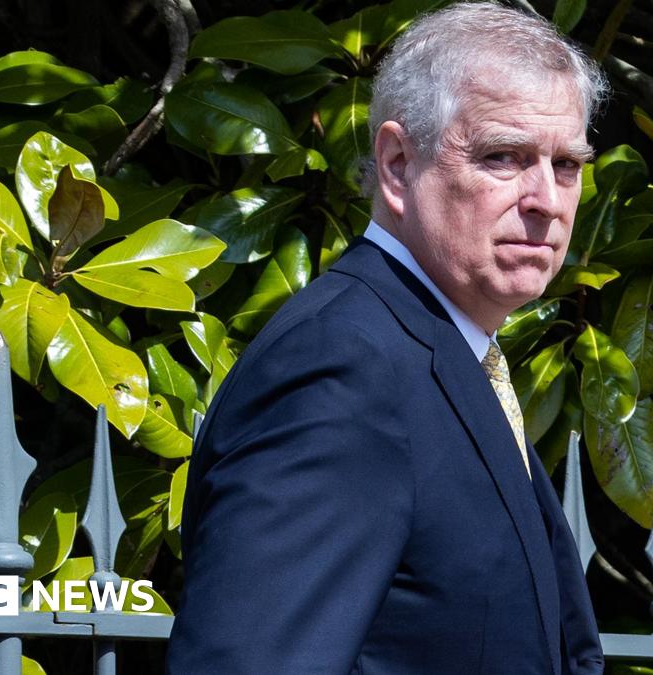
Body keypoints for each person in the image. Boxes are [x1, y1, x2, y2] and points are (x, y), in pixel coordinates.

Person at [166, 2, 608, 672]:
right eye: (502, 157)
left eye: (566, 164)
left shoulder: (443, 350)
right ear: (398, 165)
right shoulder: (342, 367)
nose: (547, 199)